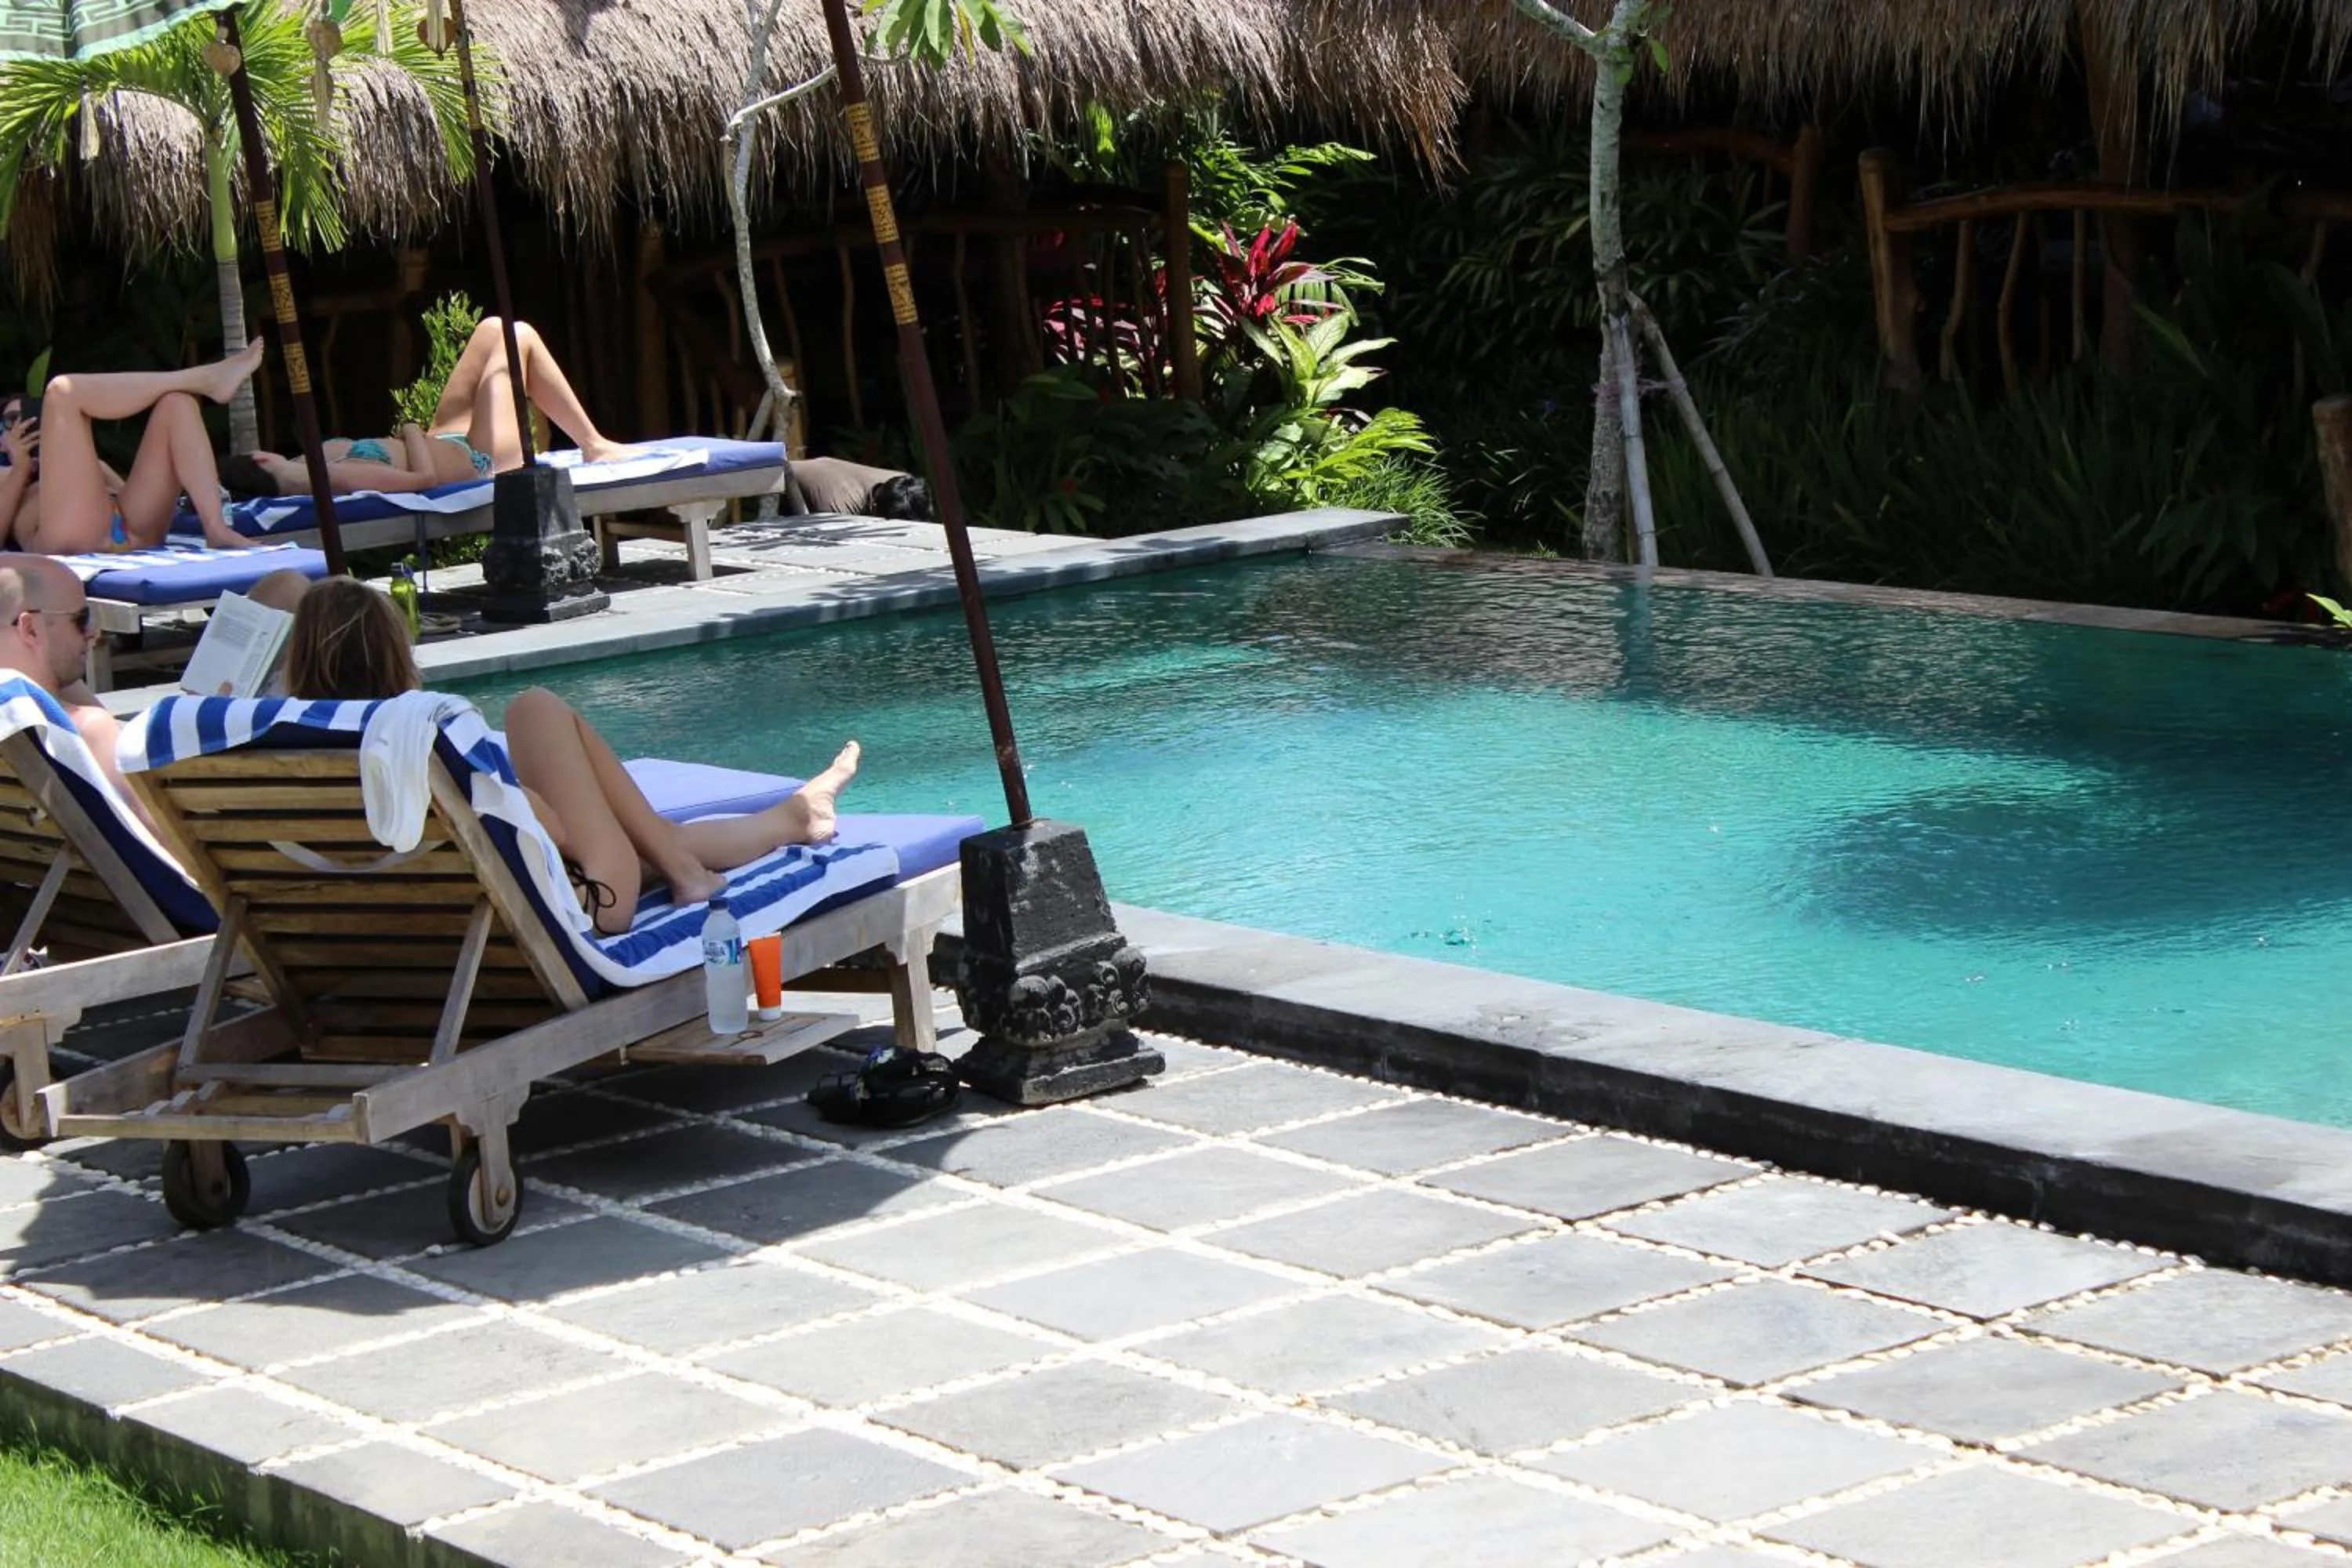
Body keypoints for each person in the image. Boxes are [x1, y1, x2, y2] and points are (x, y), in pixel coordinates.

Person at [279, 576, 860, 934]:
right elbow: (553, 829)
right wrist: (523, 794)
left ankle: (792, 818)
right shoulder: (419, 737)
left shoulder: (279, 754)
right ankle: (698, 865)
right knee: (535, 708)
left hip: (399, 923)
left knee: (647, 838)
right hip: (576, 907)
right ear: (394, 656)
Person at [222, 317, 639, 501]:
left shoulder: (307, 464)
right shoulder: (332, 475)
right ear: (262, 458)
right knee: (519, 337)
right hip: (480, 459)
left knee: (493, 329)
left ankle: (594, 440)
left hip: (448, 439)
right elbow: (422, 479)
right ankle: (594, 444)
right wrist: (409, 432)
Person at [0, 342, 264, 555]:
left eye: (30, 419)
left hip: (130, 530)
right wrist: (20, 469)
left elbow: (125, 494)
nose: (22, 429)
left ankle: (216, 529)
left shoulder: (79, 469)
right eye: (11, 423)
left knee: (177, 403)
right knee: (62, 391)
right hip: (69, 541)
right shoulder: (5, 474)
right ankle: (204, 379)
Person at [0, 555, 143, 822]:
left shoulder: (12, 709)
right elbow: (167, 844)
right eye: (81, 619)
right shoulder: (87, 729)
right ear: (30, 629)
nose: (94, 632)